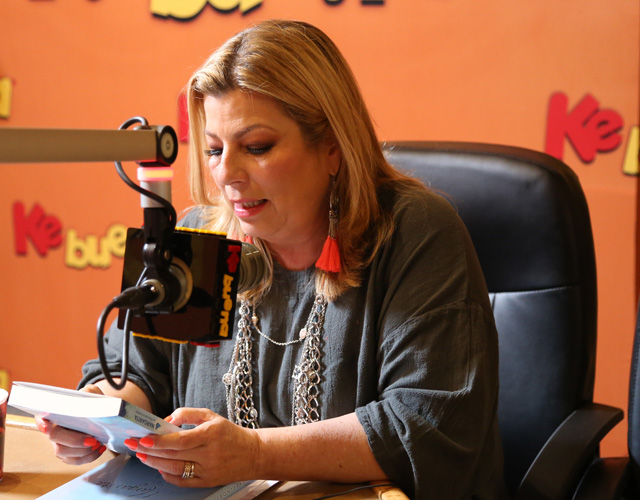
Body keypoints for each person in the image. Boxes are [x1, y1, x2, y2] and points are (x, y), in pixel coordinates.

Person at [39, 19, 507, 499]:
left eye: (257, 147)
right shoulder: (198, 235)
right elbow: (139, 373)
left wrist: (254, 453)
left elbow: (424, 422)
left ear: (332, 146)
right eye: (214, 150)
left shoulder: (415, 230)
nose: (227, 174)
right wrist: (97, 415)